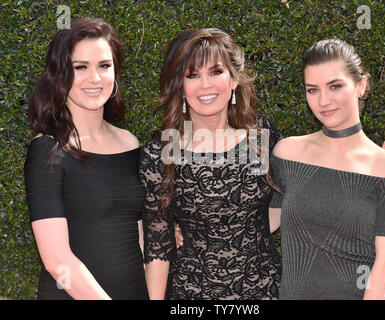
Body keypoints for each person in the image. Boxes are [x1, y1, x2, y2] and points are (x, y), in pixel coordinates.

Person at [139, 28, 282, 300]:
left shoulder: (262, 138)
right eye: (192, 75)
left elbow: (294, 196)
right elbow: (158, 248)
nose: (205, 85)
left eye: (215, 71)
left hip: (264, 291)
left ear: (233, 80)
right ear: (179, 86)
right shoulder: (161, 152)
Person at [269, 38, 385, 300]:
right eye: (312, 90)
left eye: (335, 86)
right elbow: (260, 222)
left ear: (361, 85)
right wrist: (179, 229)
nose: (324, 101)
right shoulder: (287, 153)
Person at [24, 17, 148, 300]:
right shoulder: (48, 150)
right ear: (59, 75)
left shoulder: (129, 143)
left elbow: (139, 234)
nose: (95, 78)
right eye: (80, 67)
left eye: (104, 66)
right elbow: (57, 260)